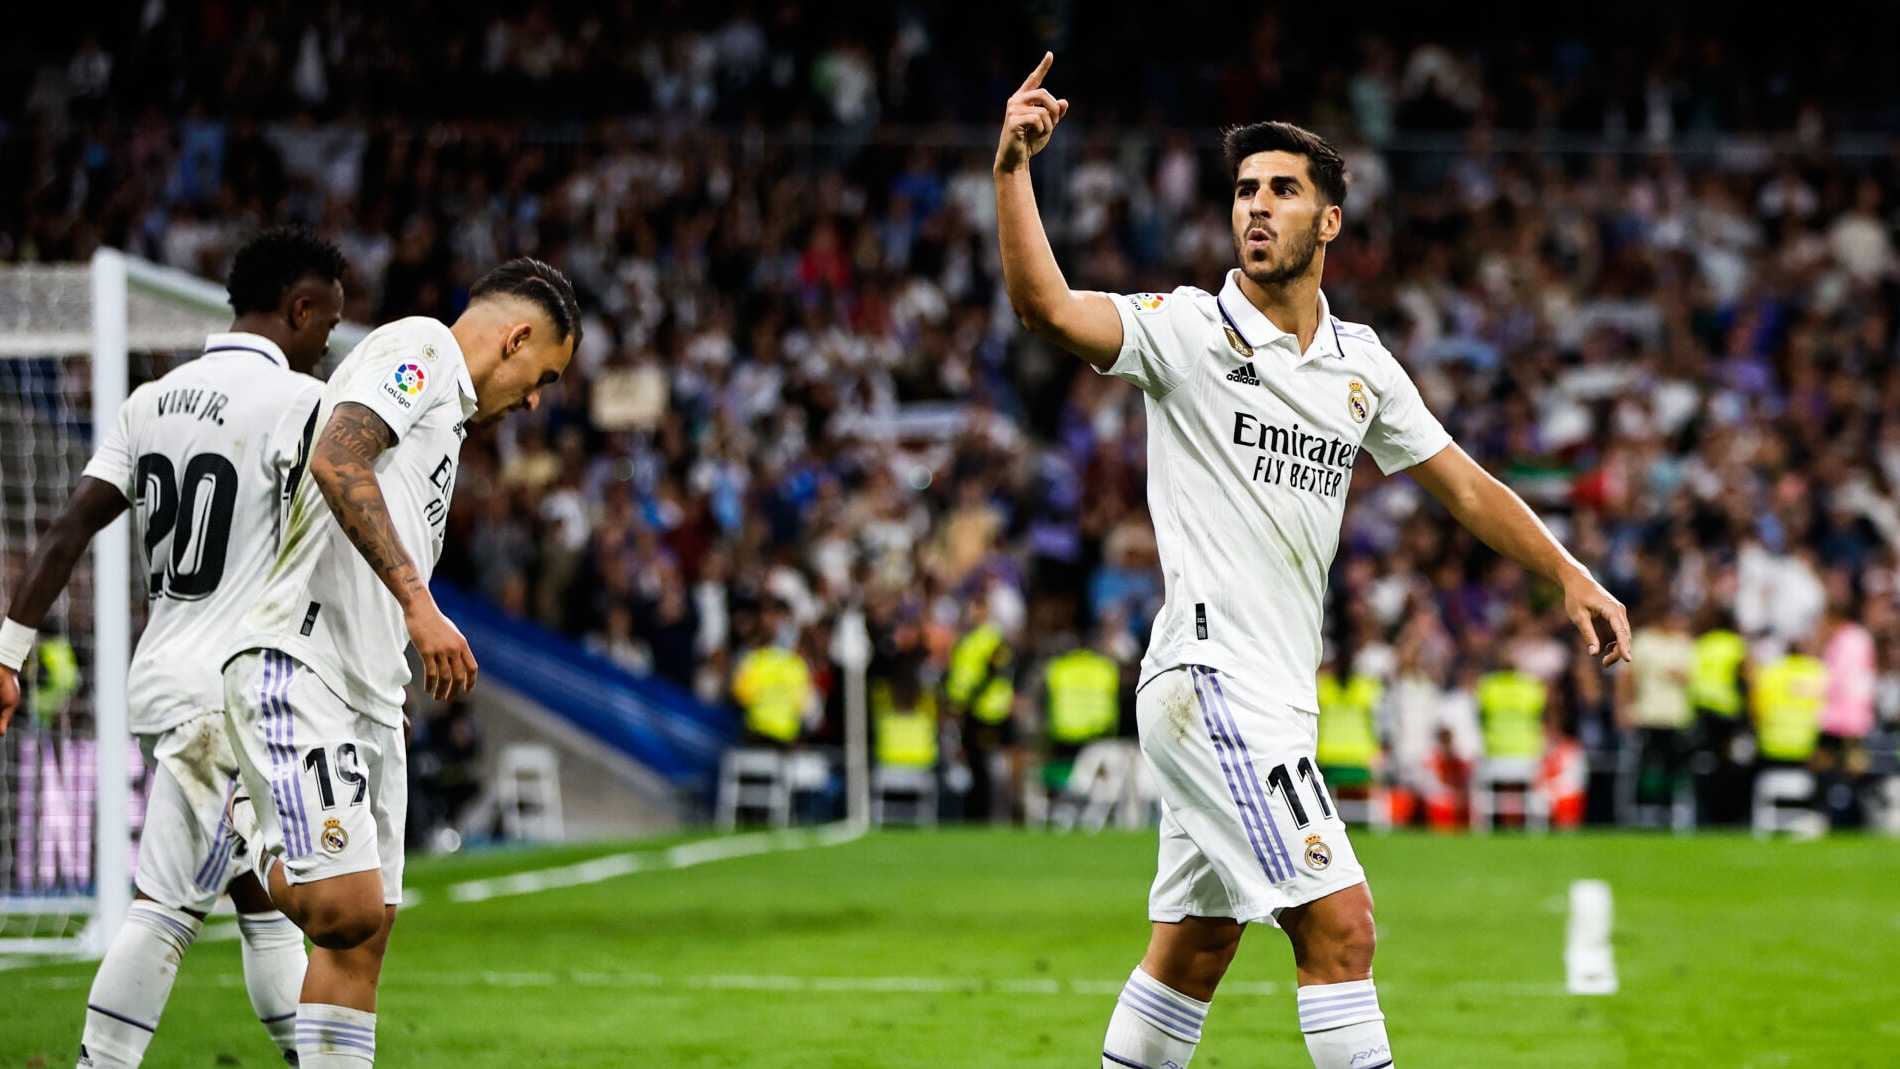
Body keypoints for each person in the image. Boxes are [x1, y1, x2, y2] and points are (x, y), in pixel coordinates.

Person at [992, 53, 1632, 1069]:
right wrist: (1012, 172)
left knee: (1193, 951)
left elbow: (1463, 483)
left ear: (1328, 220)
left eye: (1283, 190)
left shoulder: (1360, 363)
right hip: (1210, 681)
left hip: (1274, 693)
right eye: (1245, 190)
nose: (1257, 206)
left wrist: (1568, 572)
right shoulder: (1188, 331)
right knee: (1341, 928)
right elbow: (1049, 308)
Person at [0, 227, 346, 1068]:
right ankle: (100, 1061)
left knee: (260, 900)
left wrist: (7, 653)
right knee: (163, 909)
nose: (329, 341)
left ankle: (306, 1056)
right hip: (236, 696)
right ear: (298, 310)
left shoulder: (153, 397)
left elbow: (70, 524)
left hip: (165, 676)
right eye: (327, 322)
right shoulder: (303, 406)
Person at [220, 258, 579, 1068]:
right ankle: (243, 832)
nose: (532, 400)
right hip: (299, 658)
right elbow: (338, 457)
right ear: (515, 336)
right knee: (341, 909)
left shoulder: (446, 420)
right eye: (542, 377)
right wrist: (421, 608)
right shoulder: (417, 348)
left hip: (369, 688)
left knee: (366, 936)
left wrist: (390, 643)